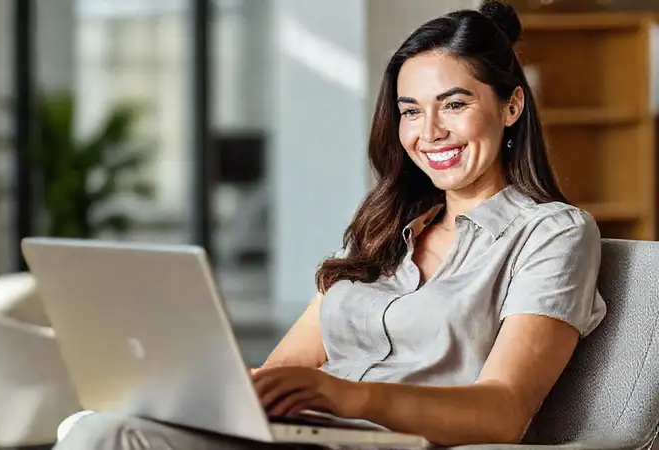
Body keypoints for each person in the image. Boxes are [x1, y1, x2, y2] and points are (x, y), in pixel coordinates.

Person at [54, 1, 606, 448]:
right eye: (410, 110)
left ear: (511, 107)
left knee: (106, 438)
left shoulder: (553, 233)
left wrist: (344, 395)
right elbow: (285, 369)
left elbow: (504, 411)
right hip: (315, 435)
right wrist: (205, 387)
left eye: (453, 104)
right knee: (97, 425)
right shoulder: (386, 228)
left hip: (398, 442)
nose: (429, 131)